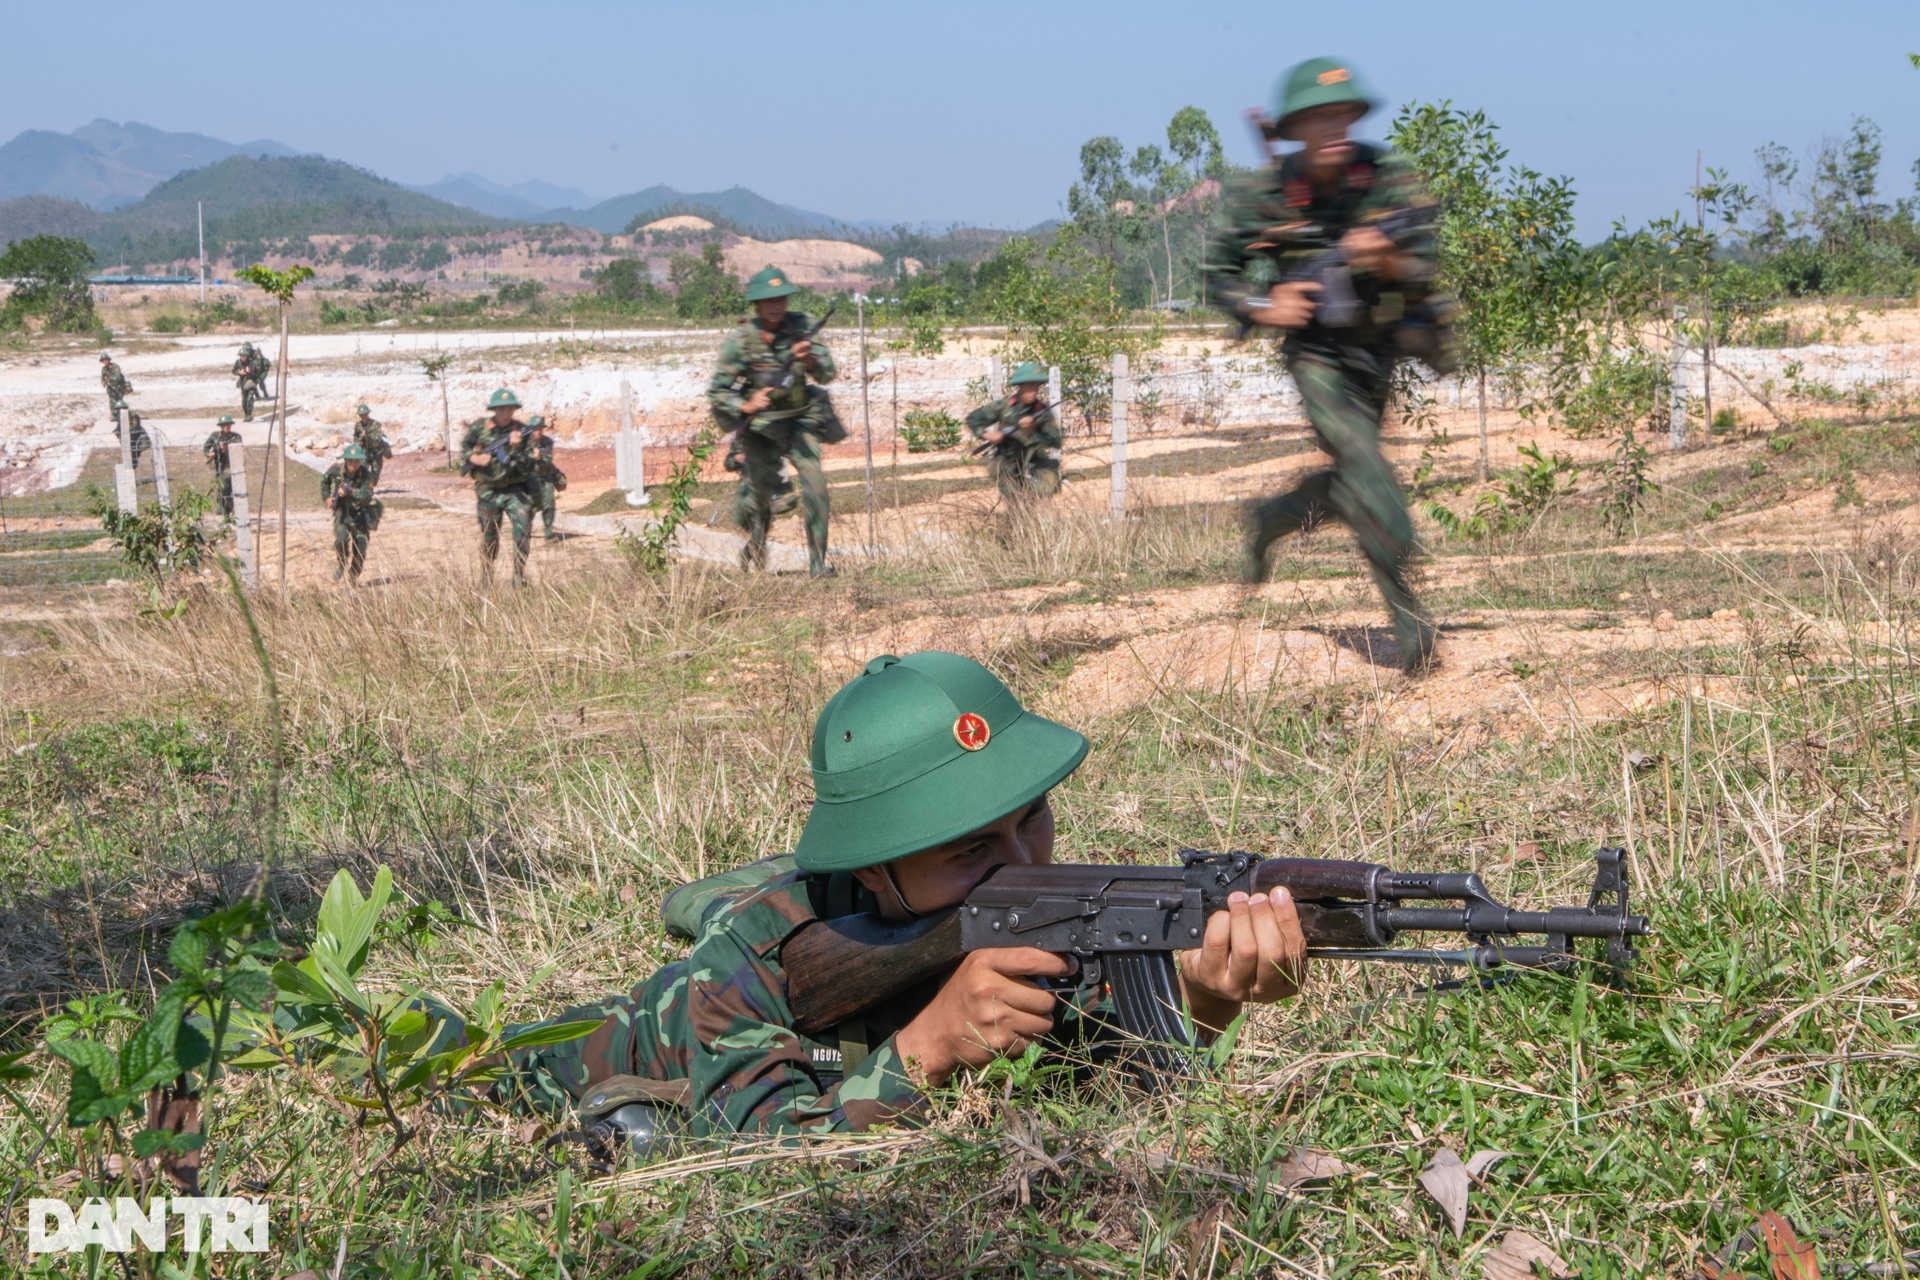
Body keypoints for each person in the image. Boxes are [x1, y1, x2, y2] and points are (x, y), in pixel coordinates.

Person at [487, 650, 1306, 1147]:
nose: (1021, 862)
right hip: (567, 1058)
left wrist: (1203, 998)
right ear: (876, 871)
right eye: (970, 849)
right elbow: (761, 1160)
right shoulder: (758, 950)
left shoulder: (1053, 907)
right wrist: (931, 1047)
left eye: (1032, 820)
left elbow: (1097, 1081)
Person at [1203, 57, 1452, 675]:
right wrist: (1266, 303)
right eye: (1320, 116)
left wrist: (1387, 261)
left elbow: (1424, 265)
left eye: (1345, 113)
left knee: (1351, 482)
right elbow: (1218, 274)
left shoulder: (1384, 177)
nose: (1337, 125)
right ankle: (1409, 619)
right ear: (1295, 128)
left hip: (1375, 351)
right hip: (1315, 353)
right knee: (1369, 470)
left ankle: (1272, 519)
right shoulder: (1269, 191)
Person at [707, 266, 846, 577]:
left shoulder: (802, 327)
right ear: (756, 304)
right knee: (759, 499)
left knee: (816, 486)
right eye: (768, 299)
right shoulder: (742, 340)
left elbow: (827, 373)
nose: (776, 304)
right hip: (761, 428)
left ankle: (817, 565)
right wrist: (746, 402)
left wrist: (807, 358)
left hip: (800, 420)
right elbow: (716, 391)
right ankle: (756, 545)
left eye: (781, 298)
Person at [461, 388, 539, 586]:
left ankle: (518, 577)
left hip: (513, 489)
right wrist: (475, 458)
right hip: (488, 490)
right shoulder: (480, 428)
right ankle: (486, 578)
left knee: (523, 528)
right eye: (501, 410)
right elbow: (465, 449)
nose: (505, 413)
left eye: (509, 409)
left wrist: (514, 449)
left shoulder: (521, 432)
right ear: (494, 410)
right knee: (490, 536)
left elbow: (528, 465)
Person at [966, 362, 1062, 500]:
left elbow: (1056, 441)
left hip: (1035, 463)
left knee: (1040, 492)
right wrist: (987, 434)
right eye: (1029, 386)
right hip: (1007, 463)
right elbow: (973, 419)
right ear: (1020, 386)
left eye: (1037, 386)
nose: (1034, 390)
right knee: (1015, 500)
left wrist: (1032, 432)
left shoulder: (1042, 411)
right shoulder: (1004, 406)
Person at [321, 443, 381, 584]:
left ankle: (353, 576)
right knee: (340, 541)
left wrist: (350, 492)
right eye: (350, 460)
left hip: (360, 514)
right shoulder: (336, 470)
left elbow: (367, 495)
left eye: (356, 461)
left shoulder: (366, 474)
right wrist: (327, 498)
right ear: (345, 460)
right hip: (342, 513)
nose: (353, 464)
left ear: (361, 461)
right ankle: (341, 564)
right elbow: (324, 481)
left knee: (360, 547)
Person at [99, 353, 149, 464]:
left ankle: (121, 414)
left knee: (119, 401)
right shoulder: (104, 369)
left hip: (118, 386)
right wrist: (105, 381)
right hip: (111, 388)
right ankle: (115, 415)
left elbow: (117, 377)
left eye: (106, 360)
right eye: (103, 360)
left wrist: (109, 378)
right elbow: (103, 378)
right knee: (112, 401)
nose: (105, 362)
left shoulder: (115, 366)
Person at [527, 414, 568, 539]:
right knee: (530, 505)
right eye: (535, 428)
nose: (537, 431)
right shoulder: (524, 443)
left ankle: (548, 529)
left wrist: (538, 459)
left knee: (549, 501)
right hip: (530, 478)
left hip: (545, 476)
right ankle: (525, 528)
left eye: (540, 428)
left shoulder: (547, 442)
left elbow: (547, 461)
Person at [203, 415, 243, 516]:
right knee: (221, 487)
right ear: (221, 426)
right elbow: (206, 446)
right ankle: (222, 505)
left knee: (229, 488)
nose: (226, 426)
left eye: (228, 424)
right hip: (220, 465)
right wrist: (209, 453)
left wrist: (227, 447)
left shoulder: (236, 437)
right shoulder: (215, 436)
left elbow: (238, 447)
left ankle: (228, 510)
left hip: (232, 466)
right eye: (224, 425)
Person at [351, 404, 394, 486]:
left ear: (368, 414)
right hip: (364, 452)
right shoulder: (358, 425)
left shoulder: (375, 424)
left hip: (376, 452)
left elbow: (377, 437)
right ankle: (364, 488)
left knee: (376, 471)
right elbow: (355, 437)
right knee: (362, 469)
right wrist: (359, 441)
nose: (363, 417)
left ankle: (372, 485)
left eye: (364, 414)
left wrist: (367, 435)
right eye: (361, 415)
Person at [233, 343, 271, 423]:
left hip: (261, 371)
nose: (243, 356)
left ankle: (264, 395)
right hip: (244, 381)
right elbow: (233, 370)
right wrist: (239, 372)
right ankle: (248, 412)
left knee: (258, 383)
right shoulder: (238, 362)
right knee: (244, 400)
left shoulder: (255, 357)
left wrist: (250, 371)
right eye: (241, 355)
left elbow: (259, 368)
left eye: (245, 354)